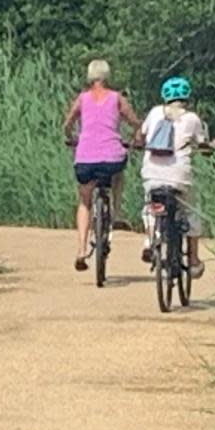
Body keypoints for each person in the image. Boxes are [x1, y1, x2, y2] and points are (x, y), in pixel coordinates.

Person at [134, 76, 215, 278]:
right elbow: (204, 147)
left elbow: (140, 137)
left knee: (151, 208)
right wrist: (214, 145)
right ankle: (192, 260)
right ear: (187, 98)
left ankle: (150, 239)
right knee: (190, 212)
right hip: (179, 177)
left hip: (152, 174)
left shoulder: (155, 112)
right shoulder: (192, 119)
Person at [62, 59, 142, 271]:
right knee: (118, 172)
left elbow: (68, 123)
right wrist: (136, 138)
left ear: (90, 76)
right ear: (107, 76)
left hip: (85, 157)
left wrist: (70, 137)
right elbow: (135, 123)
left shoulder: (82, 99)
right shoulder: (117, 99)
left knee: (84, 201)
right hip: (111, 157)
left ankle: (81, 251)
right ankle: (116, 213)